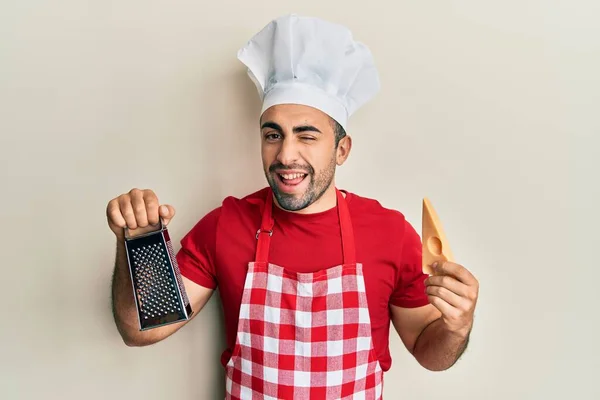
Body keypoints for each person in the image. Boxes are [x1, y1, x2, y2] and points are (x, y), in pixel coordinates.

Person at [107, 14, 479, 399]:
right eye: (273, 135)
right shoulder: (227, 225)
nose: (286, 154)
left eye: (307, 135)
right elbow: (140, 329)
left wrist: (457, 326)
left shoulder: (390, 233)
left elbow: (431, 353)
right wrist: (135, 244)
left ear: (342, 149)